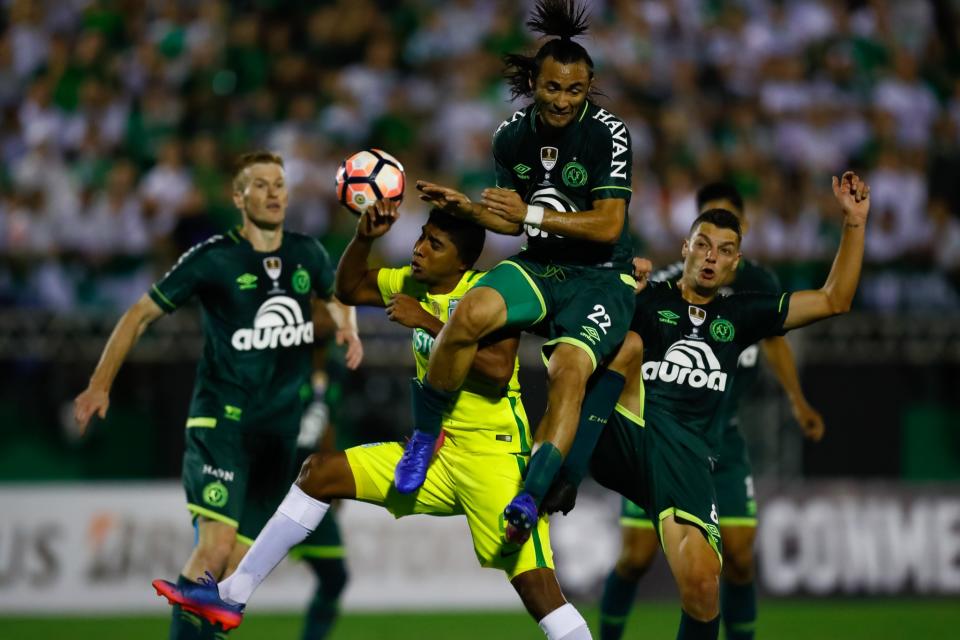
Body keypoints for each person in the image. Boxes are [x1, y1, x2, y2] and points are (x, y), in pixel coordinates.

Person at [153, 200, 596, 640]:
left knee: (539, 591)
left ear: (461, 261)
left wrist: (424, 320)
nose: (419, 248)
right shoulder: (411, 281)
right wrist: (364, 237)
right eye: (422, 236)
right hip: (436, 454)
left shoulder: (489, 294)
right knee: (319, 474)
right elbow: (349, 289)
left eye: (434, 244)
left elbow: (498, 372)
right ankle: (232, 595)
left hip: (495, 457)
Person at [555, 172, 869, 640]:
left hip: (689, 458)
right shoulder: (645, 298)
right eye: (703, 245)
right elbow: (571, 307)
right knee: (625, 346)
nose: (711, 257)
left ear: (735, 262)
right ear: (685, 247)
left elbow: (834, 300)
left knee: (704, 587)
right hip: (630, 437)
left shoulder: (739, 314)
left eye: (724, 251)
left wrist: (854, 224)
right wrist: (615, 283)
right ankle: (558, 470)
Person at [74, 151, 361, 640]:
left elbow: (337, 295)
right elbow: (139, 314)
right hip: (221, 423)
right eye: (260, 185)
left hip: (278, 438)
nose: (273, 193)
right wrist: (100, 384)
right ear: (238, 197)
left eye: (279, 184)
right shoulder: (213, 259)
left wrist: (349, 330)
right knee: (213, 548)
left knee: (230, 572)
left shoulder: (307, 253)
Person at [413, 0, 637, 545]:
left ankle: (529, 497)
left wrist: (531, 214)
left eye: (575, 91)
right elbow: (509, 223)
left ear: (590, 88)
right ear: (534, 81)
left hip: (600, 277)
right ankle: (424, 437)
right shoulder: (510, 137)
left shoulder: (609, 134)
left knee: (567, 374)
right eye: (553, 88)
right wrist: (469, 210)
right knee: (468, 315)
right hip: (541, 264)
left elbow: (609, 225)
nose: (562, 101)